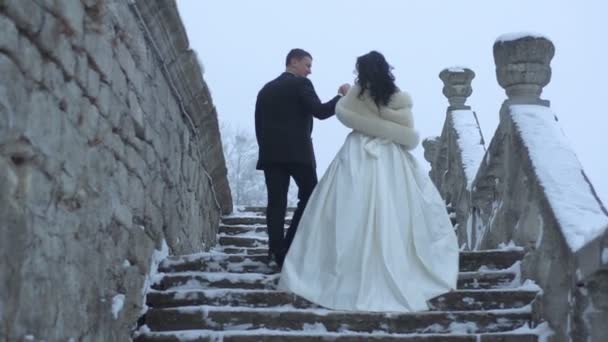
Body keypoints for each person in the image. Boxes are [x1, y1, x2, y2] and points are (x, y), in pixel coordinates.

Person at [279, 51, 459, 312]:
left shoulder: (356, 93)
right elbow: (407, 126)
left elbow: (342, 113)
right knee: (397, 209)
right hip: (390, 154)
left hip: (357, 152)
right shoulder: (398, 97)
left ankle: (340, 274)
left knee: (348, 210)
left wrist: (348, 93)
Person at [254, 48, 351, 267]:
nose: (309, 72)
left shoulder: (265, 90)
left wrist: (266, 150)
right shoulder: (300, 84)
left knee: (275, 203)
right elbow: (321, 111)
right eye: (307, 65)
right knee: (310, 197)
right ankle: (288, 248)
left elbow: (259, 124)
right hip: (299, 155)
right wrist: (342, 97)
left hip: (271, 155)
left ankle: (275, 250)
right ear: (294, 62)